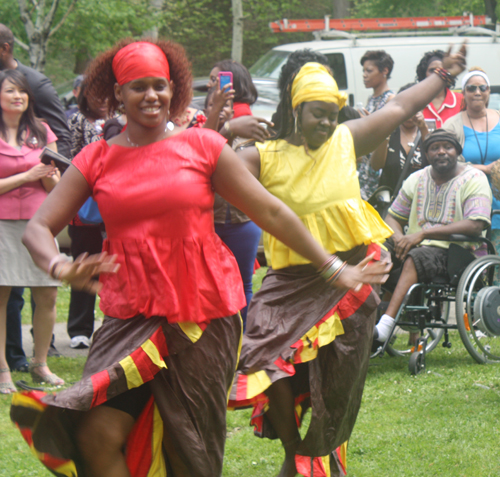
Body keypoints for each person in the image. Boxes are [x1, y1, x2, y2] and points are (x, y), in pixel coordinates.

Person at [10, 39, 390, 476]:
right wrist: (60, 266)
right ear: (118, 93)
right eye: (138, 87)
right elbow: (39, 227)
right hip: (128, 314)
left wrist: (334, 267)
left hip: (201, 314)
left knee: (189, 451)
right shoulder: (97, 158)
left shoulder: (203, 146)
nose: (151, 96)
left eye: (159, 86)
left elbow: (269, 210)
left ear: (173, 89)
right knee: (94, 436)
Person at [229, 45, 466, 477]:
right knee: (263, 359)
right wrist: (224, 124)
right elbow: (205, 165)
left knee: (336, 384)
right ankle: (293, 450)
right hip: (289, 281)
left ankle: (320, 457)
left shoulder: (345, 140)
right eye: (317, 112)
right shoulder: (263, 156)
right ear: (296, 109)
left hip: (351, 277)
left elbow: (400, 105)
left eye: (332, 113)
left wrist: (443, 77)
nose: (326, 121)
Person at [374, 130, 492, 343]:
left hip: (456, 253)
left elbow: (475, 224)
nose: (441, 152)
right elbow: (392, 218)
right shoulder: (416, 178)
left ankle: (385, 327)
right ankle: (369, 318)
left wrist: (423, 233)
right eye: (434, 148)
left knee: (416, 256)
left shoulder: (474, 178)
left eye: (447, 147)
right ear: (426, 154)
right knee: (375, 249)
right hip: (414, 247)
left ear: (457, 151)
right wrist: (400, 237)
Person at [0, 23, 70, 365]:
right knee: (2, 300)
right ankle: (4, 370)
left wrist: (48, 176)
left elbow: (56, 188)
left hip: (39, 223)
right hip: (2, 226)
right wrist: (26, 174)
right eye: (10, 92)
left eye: (21, 92)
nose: (17, 97)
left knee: (47, 295)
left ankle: (41, 364)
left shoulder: (42, 130)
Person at [66, 80, 109, 349]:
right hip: (85, 207)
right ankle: (79, 328)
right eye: (96, 93)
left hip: (116, 206)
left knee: (114, 268)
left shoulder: (125, 121)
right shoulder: (76, 120)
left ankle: (112, 326)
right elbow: (70, 157)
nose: (102, 99)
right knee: (84, 263)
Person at [443, 68, 500, 254]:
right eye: (471, 88)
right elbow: (444, 163)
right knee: (481, 258)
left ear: (489, 91)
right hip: (471, 200)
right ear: (463, 93)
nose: (477, 92)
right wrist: (484, 168)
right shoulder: (452, 125)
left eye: (483, 87)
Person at [371, 83, 429, 195]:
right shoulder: (390, 131)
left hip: (421, 201)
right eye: (405, 108)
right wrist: (385, 131)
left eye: (414, 108)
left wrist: (423, 129)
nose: (409, 114)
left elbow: (434, 163)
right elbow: (376, 165)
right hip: (392, 204)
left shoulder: (426, 131)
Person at [358, 50, 395, 200]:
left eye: (369, 70)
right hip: (365, 170)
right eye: (363, 71)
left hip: (379, 173)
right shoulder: (371, 98)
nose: (364, 75)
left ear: (384, 71)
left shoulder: (390, 99)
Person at [416, 50, 463, 129]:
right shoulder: (416, 102)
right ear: (424, 74)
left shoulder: (461, 100)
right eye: (432, 70)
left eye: (441, 70)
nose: (437, 74)